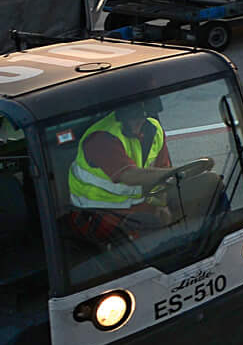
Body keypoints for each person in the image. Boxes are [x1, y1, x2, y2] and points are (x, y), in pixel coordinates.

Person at [63, 98, 178, 247]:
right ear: (120, 115)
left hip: (137, 204)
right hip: (98, 212)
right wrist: (174, 173)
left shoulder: (154, 130)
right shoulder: (102, 138)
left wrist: (161, 204)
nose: (138, 123)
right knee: (156, 236)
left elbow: (162, 173)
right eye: (132, 118)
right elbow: (129, 176)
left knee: (202, 189)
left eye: (143, 117)